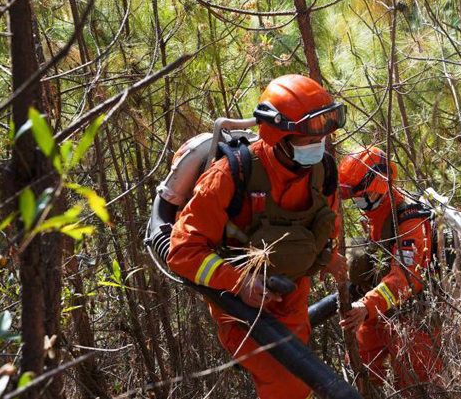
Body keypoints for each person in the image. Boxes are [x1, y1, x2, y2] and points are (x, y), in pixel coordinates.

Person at [167, 75, 348, 399]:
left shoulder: (323, 173)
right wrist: (238, 283)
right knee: (286, 380)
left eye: (321, 138)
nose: (318, 147)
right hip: (239, 303)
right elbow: (182, 250)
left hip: (291, 296)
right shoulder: (231, 175)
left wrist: (329, 258)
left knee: (298, 383)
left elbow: (323, 228)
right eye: (308, 139)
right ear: (278, 136)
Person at [337, 147, 443, 394]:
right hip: (378, 307)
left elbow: (407, 278)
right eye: (355, 197)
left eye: (363, 196)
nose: (359, 203)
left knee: (413, 384)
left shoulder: (410, 220)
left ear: (381, 185)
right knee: (357, 367)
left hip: (416, 313)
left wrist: (366, 305)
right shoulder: (375, 213)